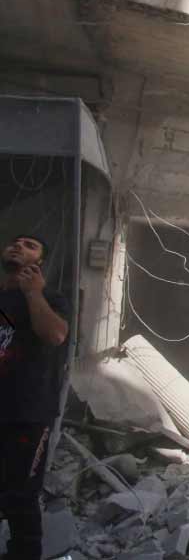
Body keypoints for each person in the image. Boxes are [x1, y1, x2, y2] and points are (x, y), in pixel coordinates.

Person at [0, 235, 70, 560]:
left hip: (28, 414)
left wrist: (33, 293)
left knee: (20, 497)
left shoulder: (51, 299)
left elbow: (54, 335)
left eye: (29, 245)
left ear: (40, 263)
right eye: (15, 242)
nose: (18, 246)